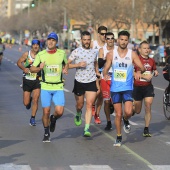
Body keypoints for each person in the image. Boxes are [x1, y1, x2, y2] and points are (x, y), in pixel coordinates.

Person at [103, 30, 145, 146]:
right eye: (121, 39)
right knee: (118, 114)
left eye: (126, 40)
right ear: (118, 40)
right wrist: (105, 74)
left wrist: (138, 71)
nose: (123, 42)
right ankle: (119, 136)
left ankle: (126, 120)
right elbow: (106, 66)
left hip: (127, 87)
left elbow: (142, 67)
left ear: (128, 41)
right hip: (115, 88)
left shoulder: (132, 54)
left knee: (128, 112)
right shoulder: (111, 54)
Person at [30, 32, 68, 142]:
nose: (50, 42)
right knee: (45, 112)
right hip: (46, 87)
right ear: (46, 41)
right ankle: (46, 132)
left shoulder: (62, 53)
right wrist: (39, 68)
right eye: (49, 40)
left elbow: (66, 63)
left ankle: (54, 118)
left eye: (53, 40)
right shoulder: (41, 55)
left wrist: (65, 68)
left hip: (58, 87)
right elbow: (32, 69)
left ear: (56, 42)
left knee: (60, 111)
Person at [68, 31, 99, 137]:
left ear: (90, 40)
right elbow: (67, 65)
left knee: (90, 104)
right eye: (84, 40)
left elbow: (95, 63)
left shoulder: (94, 52)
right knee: (80, 105)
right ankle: (78, 112)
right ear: (81, 40)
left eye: (88, 40)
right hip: (79, 81)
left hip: (91, 81)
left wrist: (97, 73)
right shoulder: (76, 52)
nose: (86, 42)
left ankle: (87, 128)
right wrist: (78, 64)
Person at [133, 41, 158, 137]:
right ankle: (130, 111)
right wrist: (143, 76)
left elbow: (154, 69)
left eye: (148, 48)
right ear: (139, 50)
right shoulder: (136, 60)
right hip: (138, 87)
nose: (147, 50)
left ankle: (146, 129)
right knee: (138, 110)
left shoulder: (152, 60)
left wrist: (155, 72)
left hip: (148, 87)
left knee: (148, 105)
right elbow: (132, 72)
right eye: (144, 48)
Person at [17, 39, 41, 126]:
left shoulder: (41, 55)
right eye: (34, 45)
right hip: (27, 80)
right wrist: (24, 69)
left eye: (37, 45)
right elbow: (19, 62)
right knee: (26, 103)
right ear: (32, 46)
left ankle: (33, 118)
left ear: (39, 46)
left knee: (36, 99)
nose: (35, 46)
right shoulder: (27, 54)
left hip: (37, 80)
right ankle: (28, 101)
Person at [98, 32, 116, 130]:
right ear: (105, 40)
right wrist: (107, 58)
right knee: (106, 102)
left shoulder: (118, 50)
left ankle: (113, 105)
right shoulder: (102, 50)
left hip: (116, 78)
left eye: (112, 38)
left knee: (115, 100)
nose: (110, 40)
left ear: (114, 40)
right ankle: (109, 122)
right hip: (105, 78)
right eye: (108, 38)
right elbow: (100, 63)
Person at [90, 25, 107, 124]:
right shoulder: (93, 44)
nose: (104, 36)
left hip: (104, 71)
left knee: (101, 95)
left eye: (105, 34)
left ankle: (97, 114)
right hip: (94, 71)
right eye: (102, 34)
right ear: (98, 34)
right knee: (98, 91)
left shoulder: (107, 45)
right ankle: (92, 104)